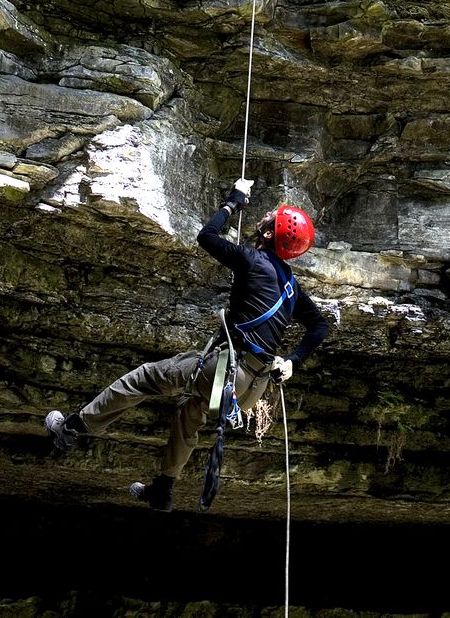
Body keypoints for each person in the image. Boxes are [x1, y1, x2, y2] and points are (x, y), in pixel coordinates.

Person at [44, 178, 330, 512]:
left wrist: (234, 200)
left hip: (228, 372)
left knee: (146, 377)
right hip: (254, 386)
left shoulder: (252, 260)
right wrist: (293, 360)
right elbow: (319, 325)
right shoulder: (291, 287)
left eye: (272, 217)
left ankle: (71, 429)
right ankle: (162, 490)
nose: (267, 214)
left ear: (269, 235)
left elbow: (207, 236)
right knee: (190, 413)